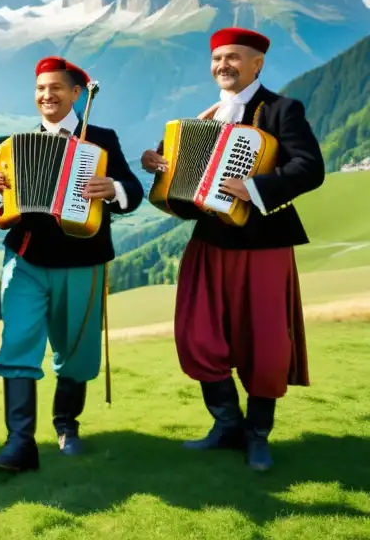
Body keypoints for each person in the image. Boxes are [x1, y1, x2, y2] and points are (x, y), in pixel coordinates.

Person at [140, 26, 324, 471]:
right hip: (208, 242)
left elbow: (310, 168)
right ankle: (227, 426)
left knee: (265, 343)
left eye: (234, 58)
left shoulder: (283, 110)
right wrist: (156, 164)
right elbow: (177, 176)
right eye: (218, 58)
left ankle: (257, 435)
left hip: (264, 245)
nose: (224, 66)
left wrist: (254, 188)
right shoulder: (202, 118)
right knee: (197, 334)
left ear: (257, 63)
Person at [0, 57, 143, 472]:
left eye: (55, 88)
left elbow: (134, 192)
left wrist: (114, 188)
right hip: (26, 259)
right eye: (40, 89)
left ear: (75, 94)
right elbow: (0, 207)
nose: (46, 95)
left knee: (77, 355)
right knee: (17, 346)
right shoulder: (8, 145)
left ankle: (66, 424)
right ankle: (20, 444)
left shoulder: (101, 139)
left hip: (83, 260)